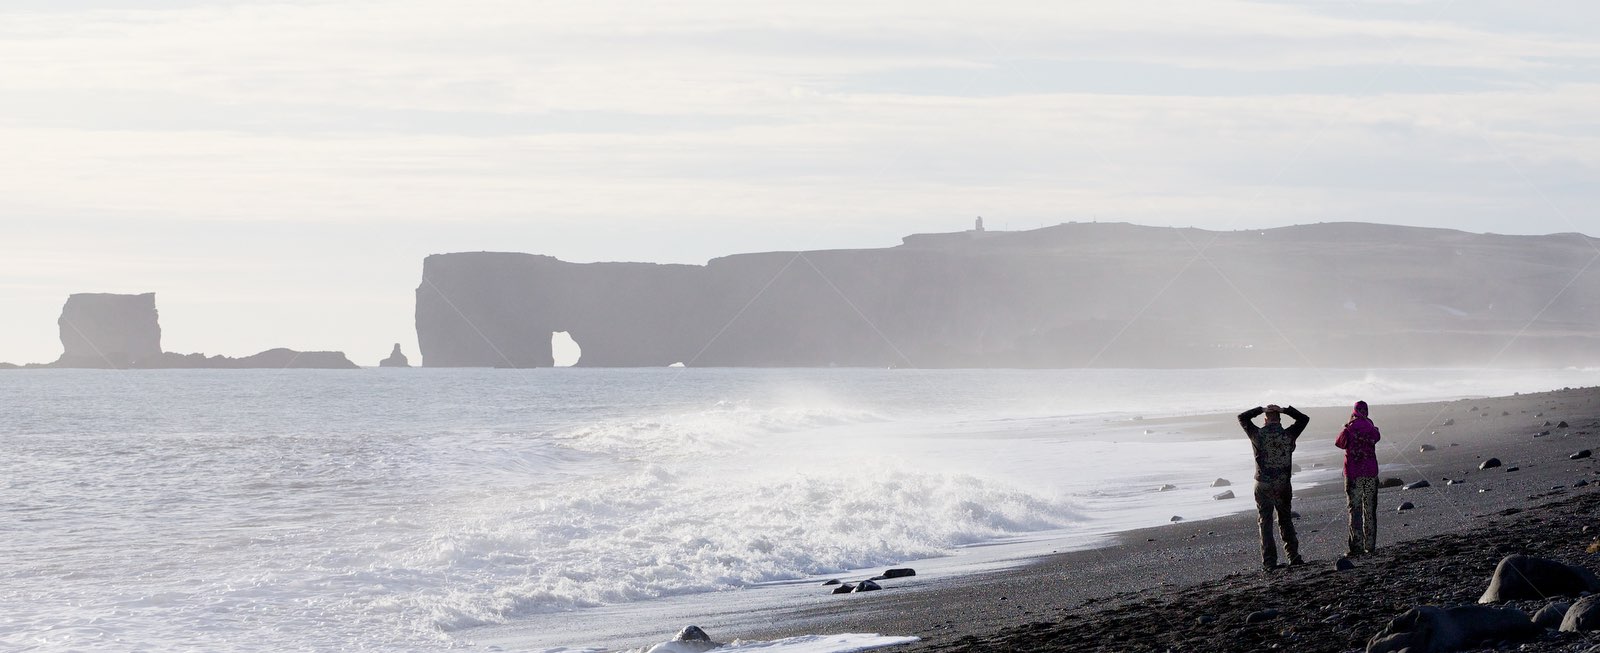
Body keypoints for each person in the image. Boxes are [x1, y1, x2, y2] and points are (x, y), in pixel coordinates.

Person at [1238, 404, 1309, 570]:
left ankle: (1270, 561)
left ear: (1265, 420)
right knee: (1285, 520)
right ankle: (1293, 556)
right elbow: (1304, 419)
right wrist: (1285, 410)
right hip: (1282, 483)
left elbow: (1242, 417)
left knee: (1265, 522)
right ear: (1279, 419)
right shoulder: (1288, 434)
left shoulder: (1258, 434)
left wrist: (1261, 409)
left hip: (1262, 483)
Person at [1335, 400, 1381, 556]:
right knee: (1369, 510)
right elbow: (1377, 436)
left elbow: (1339, 443)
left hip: (1354, 474)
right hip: (1370, 473)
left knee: (1355, 510)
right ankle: (1370, 545)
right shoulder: (1371, 428)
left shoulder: (1349, 429)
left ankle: (1357, 546)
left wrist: (1347, 426)